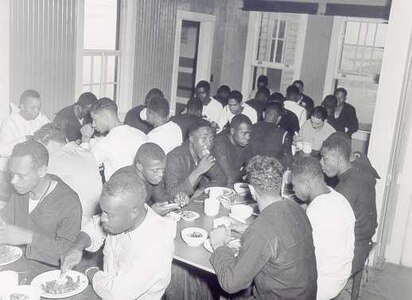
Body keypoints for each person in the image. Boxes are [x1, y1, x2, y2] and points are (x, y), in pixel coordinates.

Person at [209, 156, 317, 299]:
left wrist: (218, 245)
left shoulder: (261, 229)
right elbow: (278, 237)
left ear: (252, 190)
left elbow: (231, 283)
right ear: (280, 184)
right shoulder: (296, 208)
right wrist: (245, 227)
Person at [60, 167, 176, 300]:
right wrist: (77, 247)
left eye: (108, 214)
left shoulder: (154, 245)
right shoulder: (124, 215)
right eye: (103, 211)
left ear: (134, 212)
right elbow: (94, 226)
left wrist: (89, 271)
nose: (103, 218)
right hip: (105, 289)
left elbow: (117, 294)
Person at [0, 140, 82, 266]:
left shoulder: (68, 202)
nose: (14, 181)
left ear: (41, 171)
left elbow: (67, 252)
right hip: (19, 263)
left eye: (21, 176)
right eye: (12, 174)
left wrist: (29, 237)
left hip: (49, 270)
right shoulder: (21, 192)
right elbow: (5, 219)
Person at [291, 156, 355, 300]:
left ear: (306, 184)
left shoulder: (316, 211)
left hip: (322, 285)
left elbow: (302, 258)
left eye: (294, 185)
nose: (293, 189)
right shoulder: (338, 197)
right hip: (341, 275)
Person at [320, 136, 378, 274]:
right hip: (364, 239)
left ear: (340, 159)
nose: (321, 162)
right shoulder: (358, 172)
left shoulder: (347, 187)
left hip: (354, 249)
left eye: (324, 158)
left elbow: (329, 226)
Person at [33, 123, 102, 226]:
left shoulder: (55, 158)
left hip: (75, 223)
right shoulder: (85, 152)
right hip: (94, 220)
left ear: (50, 144)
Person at [80, 98, 146, 180]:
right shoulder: (140, 134)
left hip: (116, 190)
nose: (93, 124)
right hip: (140, 189)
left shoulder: (106, 143)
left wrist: (85, 139)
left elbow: (83, 166)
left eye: (94, 119)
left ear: (106, 116)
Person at [165, 124, 227, 198]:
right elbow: (172, 194)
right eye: (204, 138)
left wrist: (202, 190)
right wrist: (198, 171)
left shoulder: (203, 152)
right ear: (192, 138)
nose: (209, 144)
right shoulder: (174, 157)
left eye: (211, 138)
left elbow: (222, 178)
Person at [0, 90, 50, 159]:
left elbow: (54, 134)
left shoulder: (41, 118)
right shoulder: (10, 123)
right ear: (22, 107)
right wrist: (24, 139)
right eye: (33, 108)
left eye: (38, 108)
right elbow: (2, 151)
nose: (37, 111)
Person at [213, 115, 252, 186]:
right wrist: (243, 173)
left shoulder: (241, 141)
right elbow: (229, 177)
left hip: (233, 181)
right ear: (232, 131)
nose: (248, 137)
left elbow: (251, 165)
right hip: (216, 184)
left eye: (249, 133)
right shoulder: (219, 143)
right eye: (244, 133)